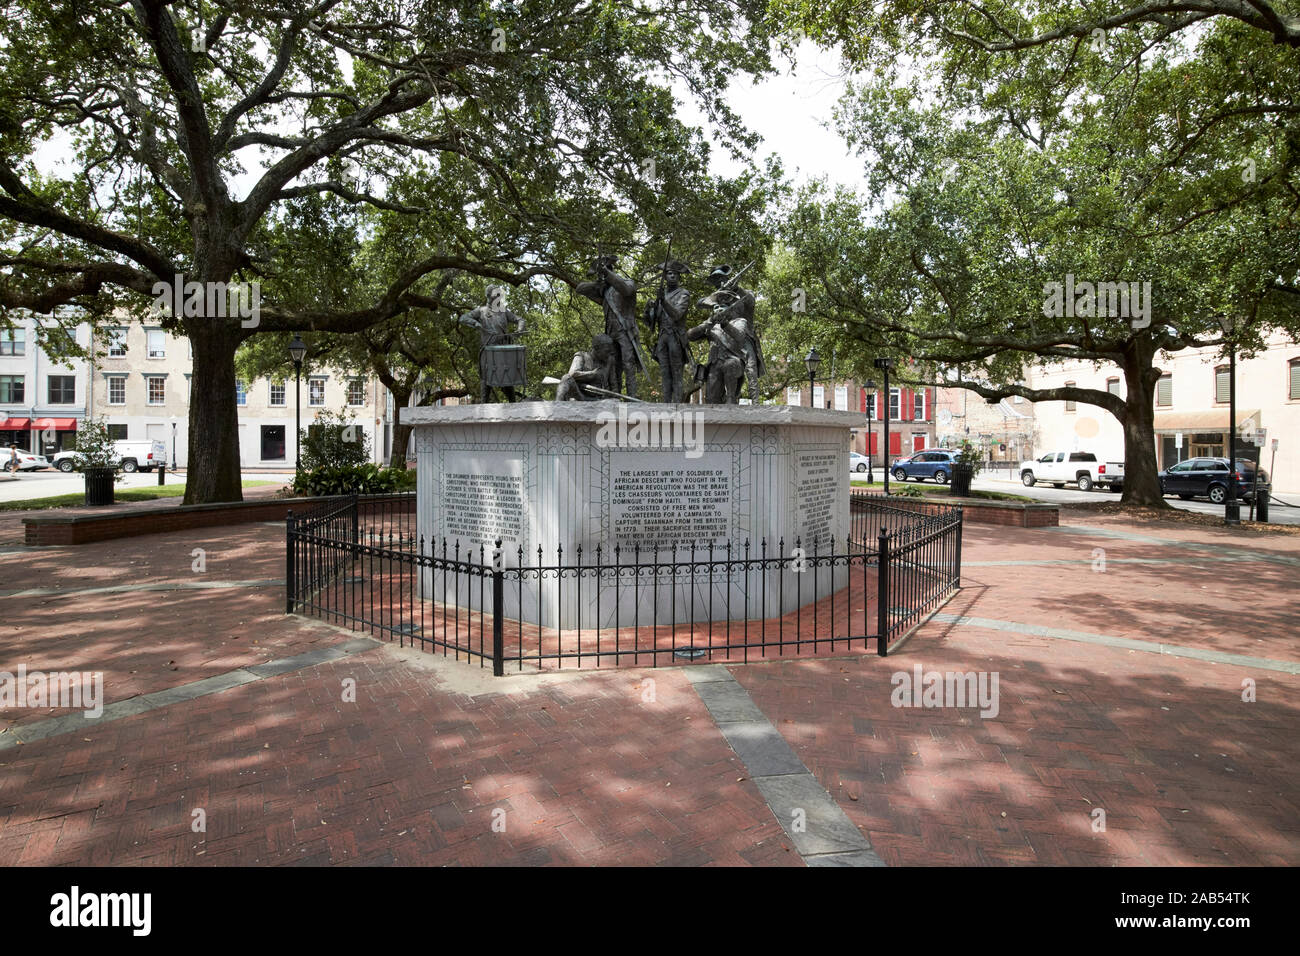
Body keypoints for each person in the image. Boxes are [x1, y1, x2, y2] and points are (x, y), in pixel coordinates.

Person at [576, 256, 647, 399]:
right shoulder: (604, 290)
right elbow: (580, 288)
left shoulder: (627, 283)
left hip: (625, 331)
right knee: (614, 366)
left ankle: (632, 396)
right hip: (610, 334)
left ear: (611, 271)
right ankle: (615, 396)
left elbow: (626, 290)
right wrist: (598, 282)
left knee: (628, 364)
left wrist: (607, 274)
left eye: (603, 272)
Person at [458, 285, 525, 403]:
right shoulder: (481, 311)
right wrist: (475, 323)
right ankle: (484, 409)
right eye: (496, 295)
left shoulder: (503, 311)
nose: (498, 298)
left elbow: (520, 319)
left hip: (504, 351)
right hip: (488, 351)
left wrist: (519, 330)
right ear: (488, 296)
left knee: (508, 382)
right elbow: (463, 318)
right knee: (486, 381)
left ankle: (513, 407)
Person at [642, 259, 694, 402]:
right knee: (665, 374)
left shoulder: (683, 294)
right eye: (669, 273)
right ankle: (666, 405)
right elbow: (651, 322)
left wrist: (663, 301)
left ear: (679, 277)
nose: (672, 276)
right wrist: (648, 309)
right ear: (664, 277)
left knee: (677, 374)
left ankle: (677, 404)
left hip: (676, 338)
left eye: (675, 274)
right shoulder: (661, 295)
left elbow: (677, 314)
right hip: (662, 339)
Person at [556, 334, 620, 401]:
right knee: (566, 378)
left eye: (610, 352)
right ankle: (557, 404)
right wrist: (592, 374)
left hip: (600, 400)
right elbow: (572, 374)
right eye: (606, 351)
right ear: (597, 348)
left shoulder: (610, 360)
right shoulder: (581, 356)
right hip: (581, 397)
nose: (608, 354)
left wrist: (615, 399)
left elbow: (614, 385)